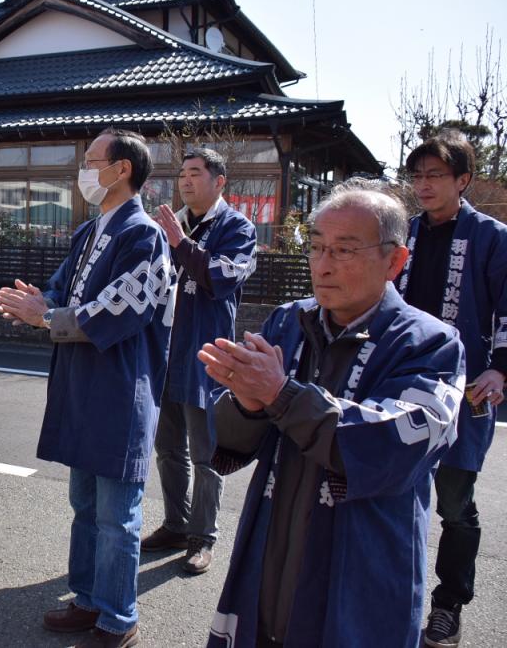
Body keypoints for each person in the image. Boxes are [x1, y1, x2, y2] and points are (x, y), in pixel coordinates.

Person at [201, 182, 465, 648]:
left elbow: (393, 445)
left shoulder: (431, 344)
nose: (322, 265)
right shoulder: (288, 322)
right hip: (271, 551)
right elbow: (227, 440)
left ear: (395, 261)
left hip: (363, 565)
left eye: (344, 250)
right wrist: (247, 404)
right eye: (317, 246)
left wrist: (280, 396)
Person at [0, 127, 173, 648]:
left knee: (118, 516)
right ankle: (89, 599)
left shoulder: (145, 235)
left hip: (121, 390)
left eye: (92, 161)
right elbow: (62, 289)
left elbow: (121, 308)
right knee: (86, 506)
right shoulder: (89, 232)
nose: (83, 171)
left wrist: (46, 315)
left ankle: (119, 619)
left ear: (122, 170)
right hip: (83, 385)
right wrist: (39, 304)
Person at [394, 131, 507, 648]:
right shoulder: (402, 232)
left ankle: (448, 605)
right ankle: (394, 592)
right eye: (417, 176)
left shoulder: (492, 237)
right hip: (401, 380)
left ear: (463, 180)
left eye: (435, 175)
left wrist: (500, 370)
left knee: (456, 503)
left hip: (467, 388)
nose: (424, 185)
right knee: (392, 490)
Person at [141, 147, 257, 574]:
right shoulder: (171, 223)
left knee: (206, 454)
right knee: (168, 448)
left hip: (206, 355)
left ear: (219, 181)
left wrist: (180, 243)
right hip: (164, 352)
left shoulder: (237, 227)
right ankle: (176, 524)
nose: (185, 181)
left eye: (195, 173)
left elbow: (223, 278)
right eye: (182, 174)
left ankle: (203, 536)